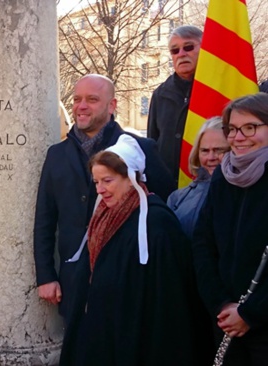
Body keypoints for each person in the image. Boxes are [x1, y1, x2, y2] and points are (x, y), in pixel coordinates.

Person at [59, 134, 212, 365]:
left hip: (135, 336)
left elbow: (168, 299)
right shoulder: (103, 215)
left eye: (108, 181)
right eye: (97, 182)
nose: (100, 190)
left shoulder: (158, 223)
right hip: (100, 331)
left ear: (131, 178)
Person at [34, 74, 174, 325]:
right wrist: (45, 275)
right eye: (77, 99)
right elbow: (45, 218)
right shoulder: (56, 154)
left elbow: (163, 210)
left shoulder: (140, 149)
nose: (81, 106)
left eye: (92, 99)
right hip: (74, 282)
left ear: (112, 105)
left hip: (128, 281)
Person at [193, 93, 268, 365]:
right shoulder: (223, 177)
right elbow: (203, 245)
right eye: (232, 129)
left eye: (250, 127)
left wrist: (251, 313)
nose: (238, 137)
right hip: (226, 321)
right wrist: (222, 304)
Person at [147, 25, 202, 185]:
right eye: (175, 50)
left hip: (205, 185)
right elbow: (153, 143)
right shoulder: (160, 94)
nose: (182, 54)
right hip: (167, 186)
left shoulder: (215, 90)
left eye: (188, 47)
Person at [167, 117, 229, 238]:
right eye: (205, 151)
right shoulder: (177, 198)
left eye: (219, 150)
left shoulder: (245, 195)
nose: (211, 157)